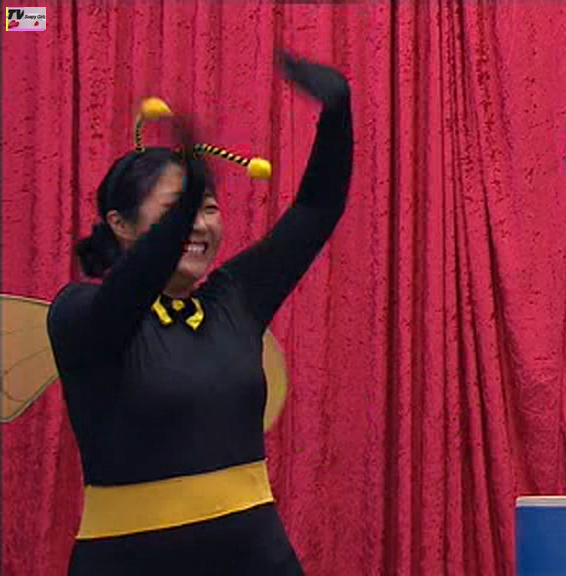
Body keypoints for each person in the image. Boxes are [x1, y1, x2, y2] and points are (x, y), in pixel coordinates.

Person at [46, 51, 353, 575]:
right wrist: (188, 195)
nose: (200, 225)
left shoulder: (234, 299)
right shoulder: (79, 314)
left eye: (210, 209)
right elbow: (135, 282)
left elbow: (315, 210)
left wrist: (338, 114)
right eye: (178, 211)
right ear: (120, 224)